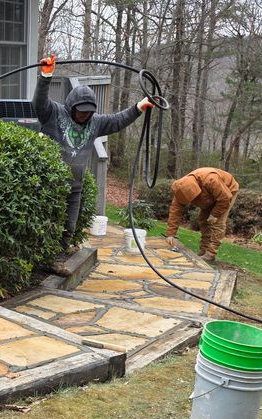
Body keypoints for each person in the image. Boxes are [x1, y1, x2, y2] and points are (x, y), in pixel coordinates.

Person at [33, 56, 155, 249]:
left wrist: (139, 107)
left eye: (88, 111)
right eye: (80, 111)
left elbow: (117, 120)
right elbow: (39, 102)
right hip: (50, 185)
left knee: (68, 226)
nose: (84, 114)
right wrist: (46, 75)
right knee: (48, 225)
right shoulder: (53, 114)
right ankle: (48, 259)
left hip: (75, 186)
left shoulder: (95, 123)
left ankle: (60, 256)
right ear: (71, 106)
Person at [165, 167, 239, 263]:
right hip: (210, 195)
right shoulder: (180, 189)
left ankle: (211, 254)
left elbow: (225, 199)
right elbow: (175, 211)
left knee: (217, 222)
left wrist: (215, 214)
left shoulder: (211, 179)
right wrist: (171, 234)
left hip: (227, 191)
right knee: (203, 220)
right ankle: (204, 250)